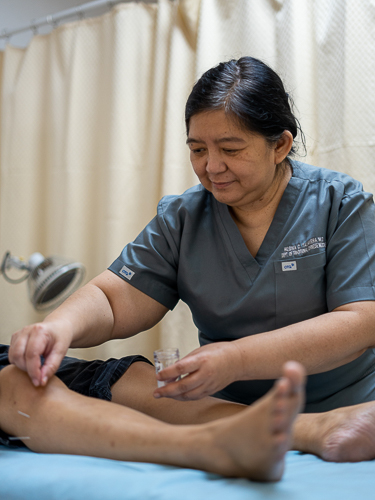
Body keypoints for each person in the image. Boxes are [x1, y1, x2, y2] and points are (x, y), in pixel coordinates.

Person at [2, 56, 375, 472]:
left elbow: (360, 322)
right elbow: (114, 299)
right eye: (198, 150)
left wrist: (234, 359)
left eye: (230, 149)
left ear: (280, 146)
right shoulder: (183, 217)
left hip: (352, 409)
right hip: (229, 413)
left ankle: (317, 426)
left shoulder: (338, 203)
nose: (211, 167)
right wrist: (58, 328)